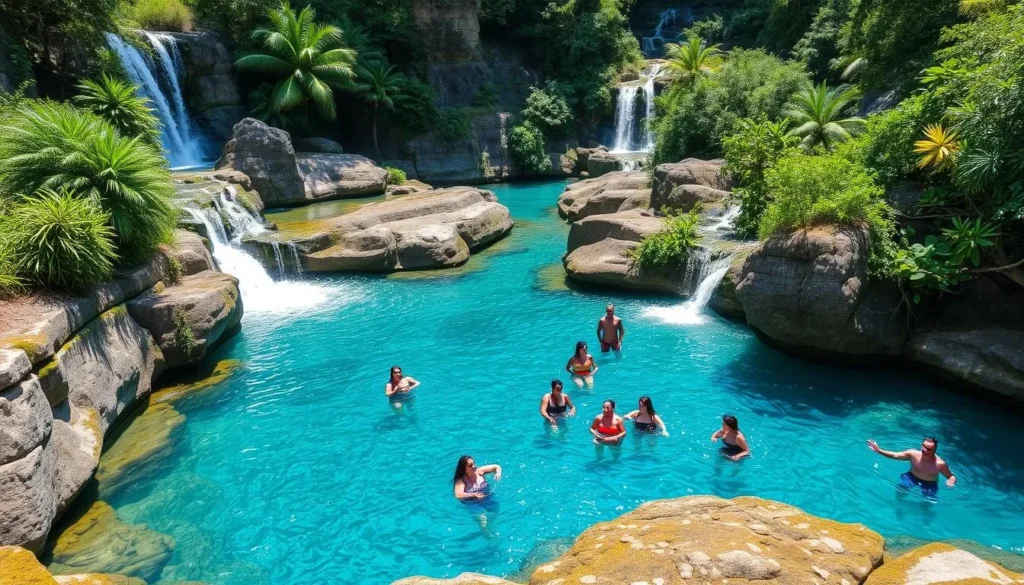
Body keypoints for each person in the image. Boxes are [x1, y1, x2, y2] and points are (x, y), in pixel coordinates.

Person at [867, 437, 957, 498]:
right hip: (911, 477)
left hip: (930, 483)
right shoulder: (913, 454)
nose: (924, 450)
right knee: (900, 491)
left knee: (928, 501)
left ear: (934, 450)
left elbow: (950, 476)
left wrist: (951, 481)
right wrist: (879, 450)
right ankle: (899, 506)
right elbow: (895, 455)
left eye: (928, 449)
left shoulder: (940, 463)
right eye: (923, 446)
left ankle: (926, 516)